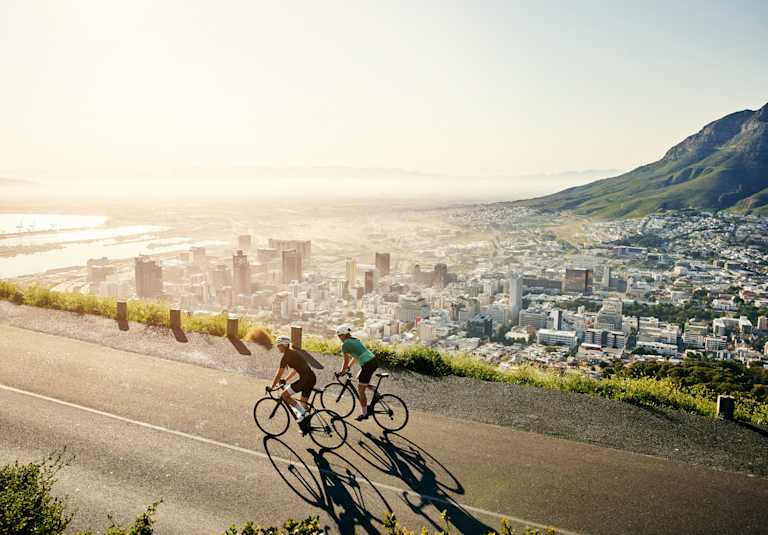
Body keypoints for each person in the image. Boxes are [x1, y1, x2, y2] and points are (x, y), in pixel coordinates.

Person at [271, 335, 316, 435]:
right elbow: (296, 369)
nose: (277, 347)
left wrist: (272, 387)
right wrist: (286, 379)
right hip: (311, 378)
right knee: (303, 405)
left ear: (283, 345)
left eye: (278, 345)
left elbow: (279, 374)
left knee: (284, 395)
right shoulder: (294, 353)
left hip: (305, 380)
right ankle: (305, 427)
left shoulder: (286, 357)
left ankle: (303, 414)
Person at [335, 324, 379, 421]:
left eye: (339, 336)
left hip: (367, 365)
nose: (339, 338)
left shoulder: (345, 345)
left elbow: (346, 361)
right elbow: (355, 357)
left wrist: (342, 372)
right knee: (359, 379)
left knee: (360, 390)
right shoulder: (355, 340)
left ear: (343, 335)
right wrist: (348, 368)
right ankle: (375, 390)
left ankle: (364, 414)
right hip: (373, 361)